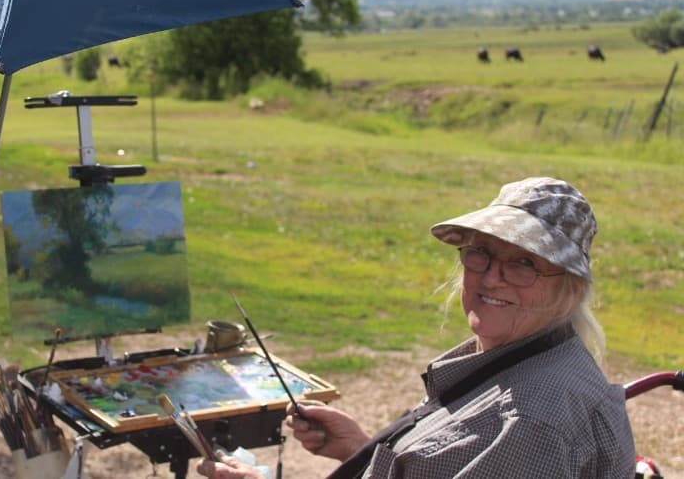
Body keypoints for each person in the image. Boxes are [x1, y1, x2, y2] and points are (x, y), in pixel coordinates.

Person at [197, 176, 635, 478]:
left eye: (524, 263)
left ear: (571, 288)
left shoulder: (527, 423)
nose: (490, 276)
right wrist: (362, 452)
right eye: (481, 252)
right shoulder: (527, 361)